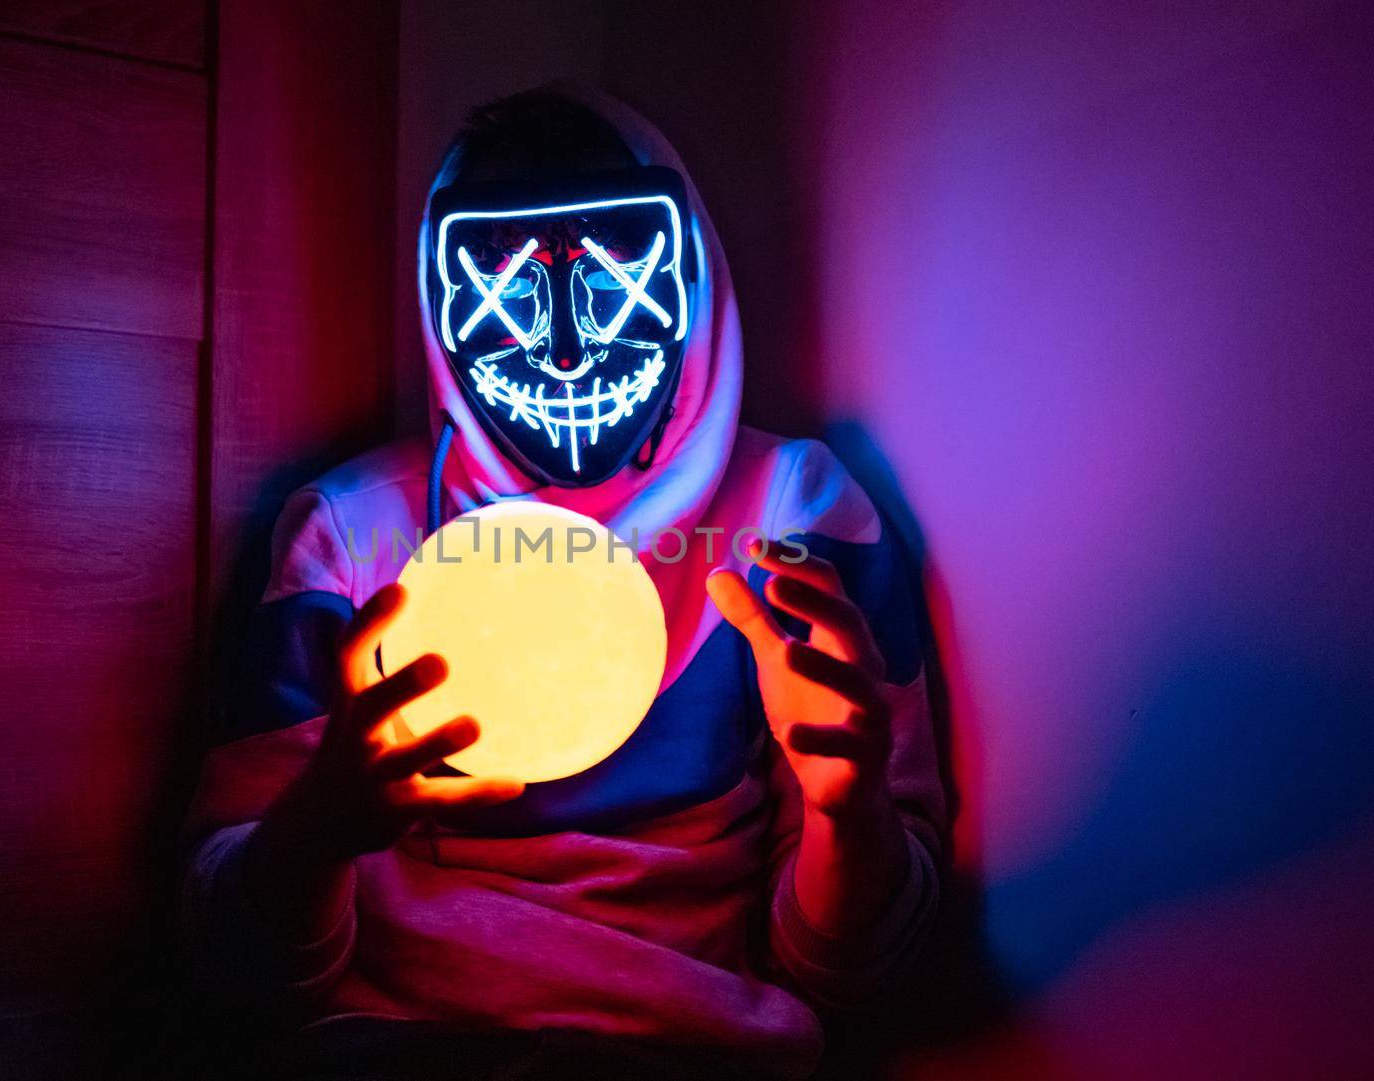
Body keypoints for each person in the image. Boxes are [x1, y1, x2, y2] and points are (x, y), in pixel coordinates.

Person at [181, 84, 946, 1080]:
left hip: (698, 1052)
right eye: (504, 280)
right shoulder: (352, 538)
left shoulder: (793, 522)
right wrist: (320, 821)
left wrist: (851, 811)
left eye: (607, 277)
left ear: (690, 273)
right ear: (441, 299)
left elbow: (865, 973)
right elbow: (229, 955)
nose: (568, 345)